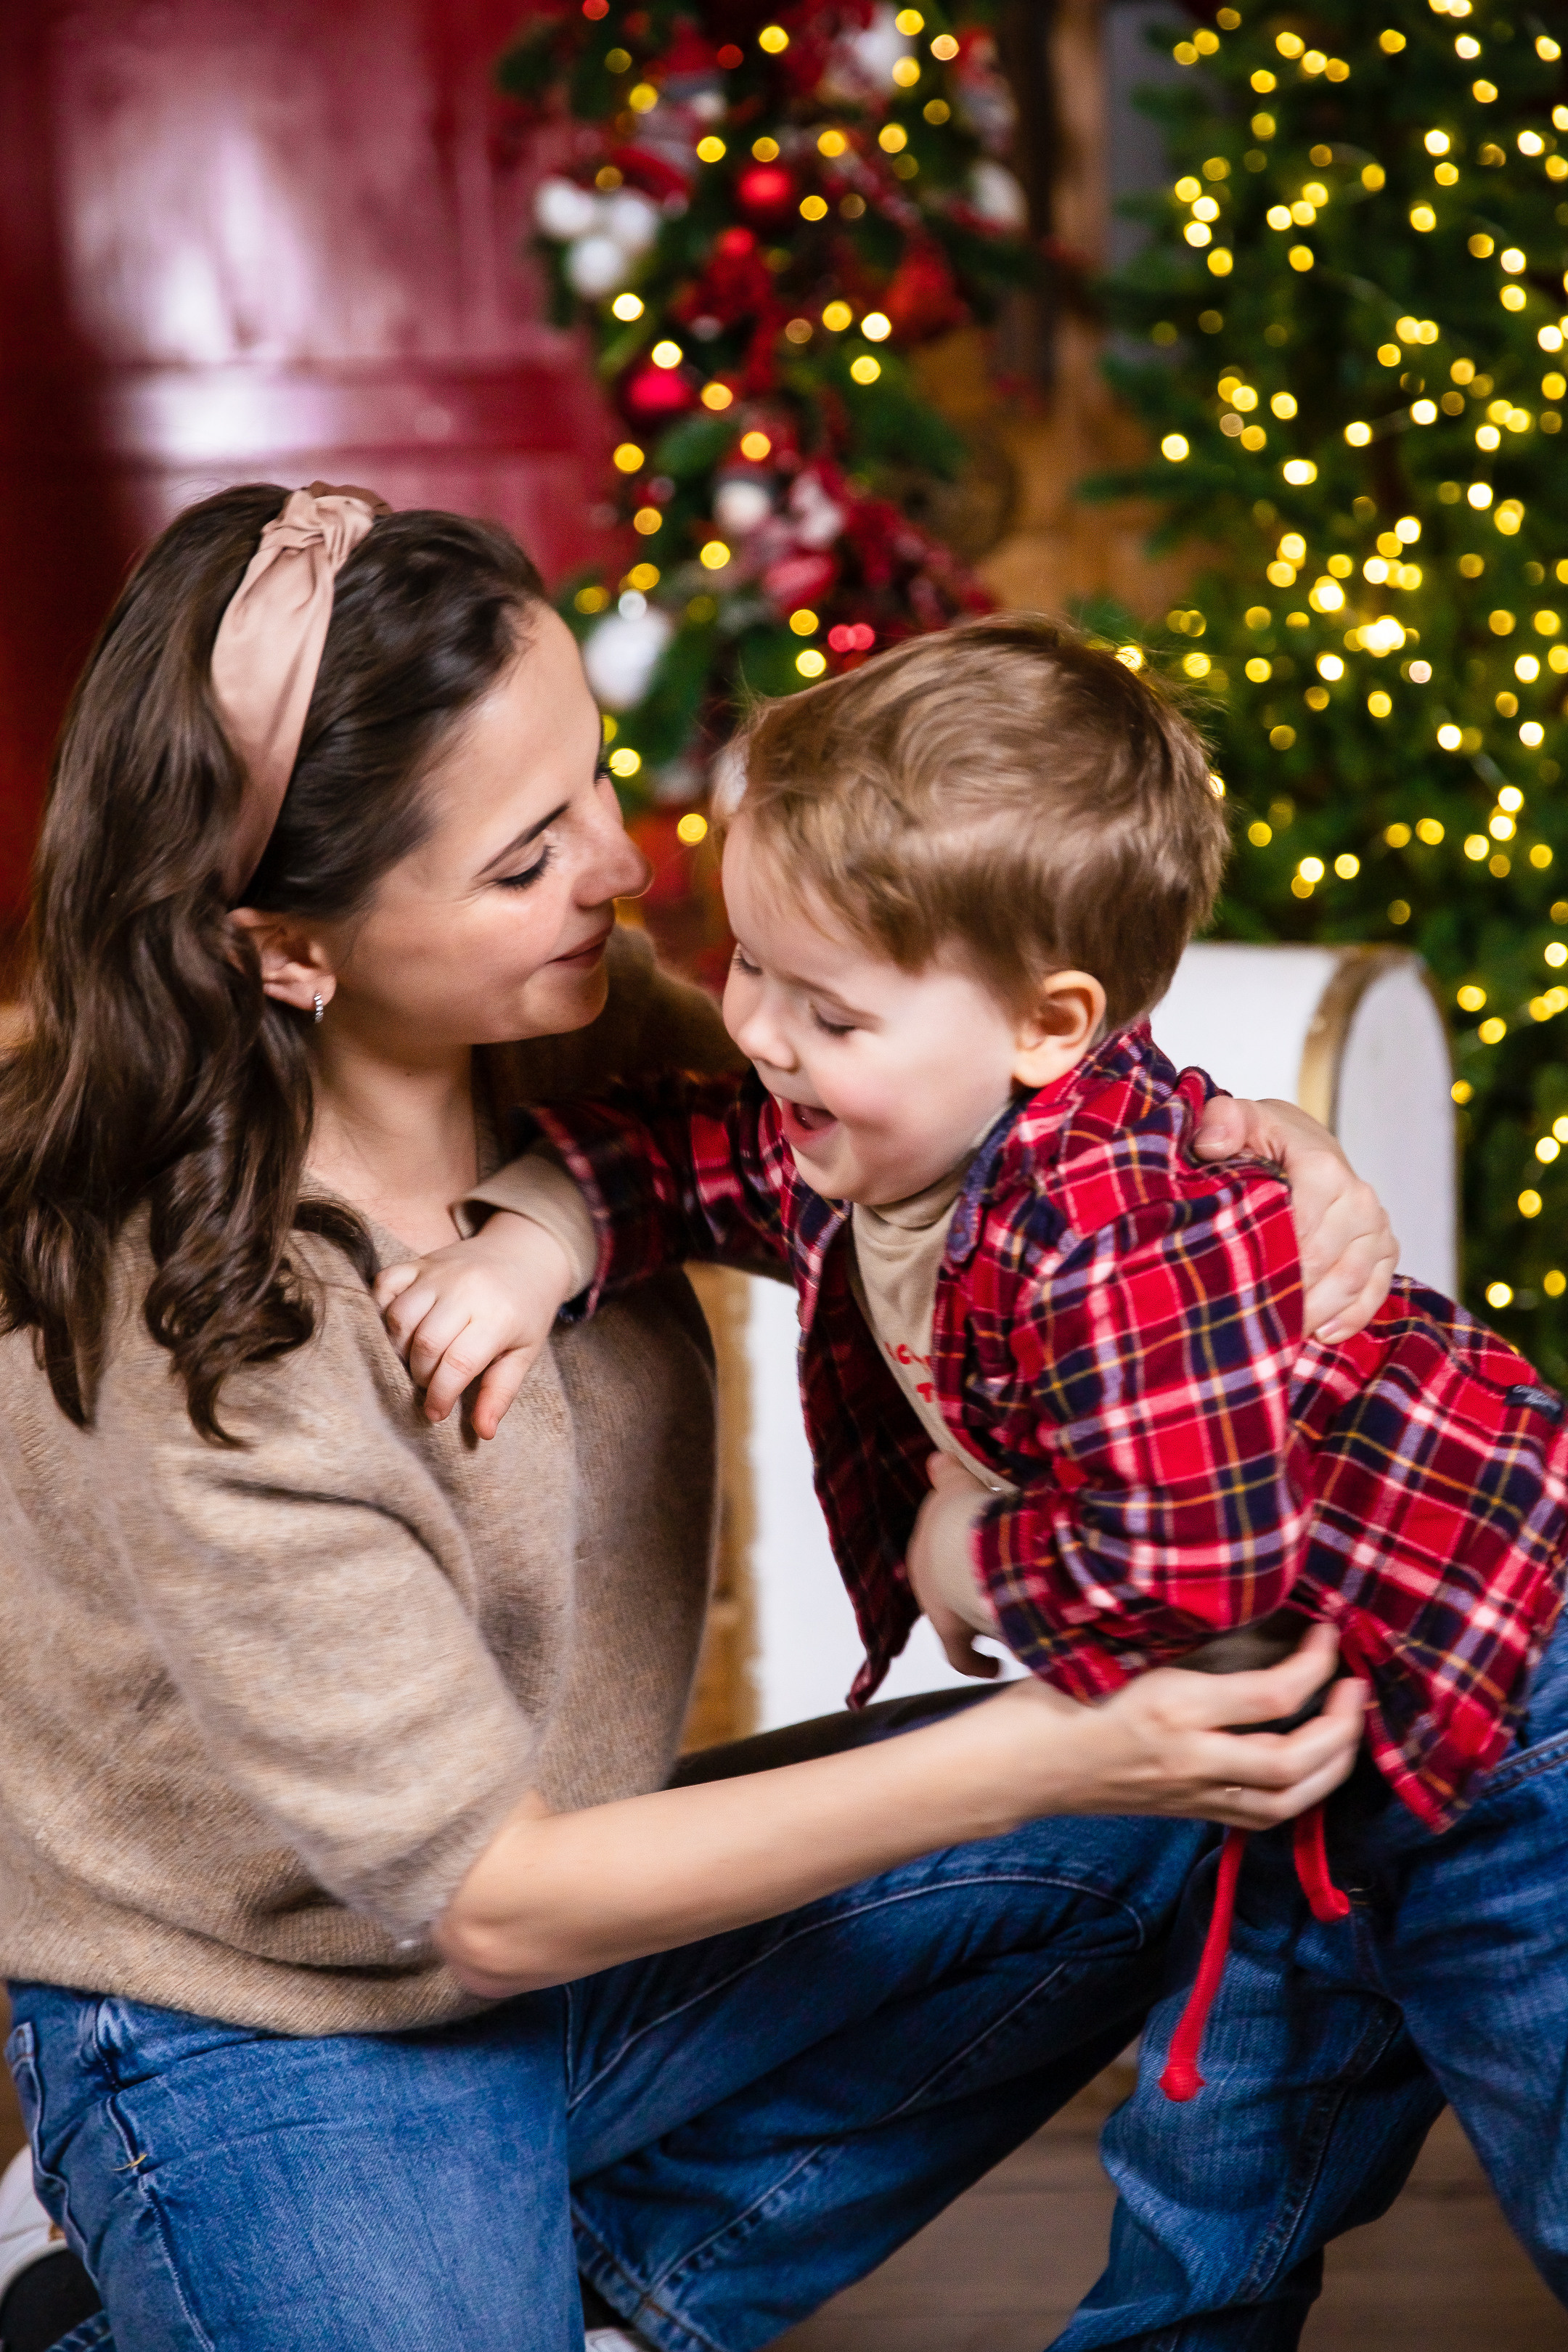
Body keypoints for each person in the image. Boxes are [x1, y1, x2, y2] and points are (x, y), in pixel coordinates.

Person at [0, 491, 1371, 2352]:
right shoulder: (200, 1329)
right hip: (274, 2004)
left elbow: (999, 1118)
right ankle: (141, 2251)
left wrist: (1268, 1158)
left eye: (595, 786)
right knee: (1094, 1767)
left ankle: (566, 2285)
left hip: (585, 1923)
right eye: (521, 857)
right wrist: (1060, 1741)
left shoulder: (592, 1034)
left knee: (1200, 1795)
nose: (624, 874)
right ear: (284, 945)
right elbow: (484, 1903)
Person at [383, 613, 1568, 2341]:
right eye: (752, 968)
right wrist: (532, 1248)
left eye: (826, 1006)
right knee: (1209, 2176)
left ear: (1048, 1024)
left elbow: (1201, 1568)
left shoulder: (1109, 1224)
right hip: (1295, 1756)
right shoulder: (877, 1131)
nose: (762, 1036)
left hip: (1507, 1718)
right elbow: (680, 1153)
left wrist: (971, 1560)